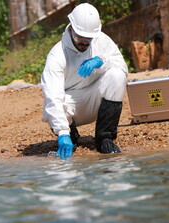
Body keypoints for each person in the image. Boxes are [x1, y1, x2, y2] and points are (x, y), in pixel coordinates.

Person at [41, 3, 128, 158]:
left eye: (89, 38)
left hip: (95, 99)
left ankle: (104, 138)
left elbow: (122, 67)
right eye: (80, 36)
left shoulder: (101, 40)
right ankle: (71, 136)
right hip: (71, 108)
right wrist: (62, 132)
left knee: (117, 75)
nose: (85, 42)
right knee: (53, 106)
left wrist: (102, 61)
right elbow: (53, 97)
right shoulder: (57, 55)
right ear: (70, 28)